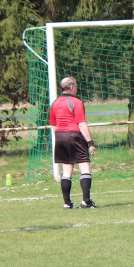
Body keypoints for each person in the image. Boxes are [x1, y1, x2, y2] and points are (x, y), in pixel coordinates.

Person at [49, 77, 98, 208]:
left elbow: (53, 124)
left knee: (66, 171)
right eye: (76, 86)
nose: (76, 88)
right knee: (85, 168)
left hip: (60, 136)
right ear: (71, 88)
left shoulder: (54, 103)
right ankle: (86, 202)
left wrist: (60, 138)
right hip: (74, 136)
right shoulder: (76, 102)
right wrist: (90, 143)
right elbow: (81, 123)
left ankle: (67, 203)